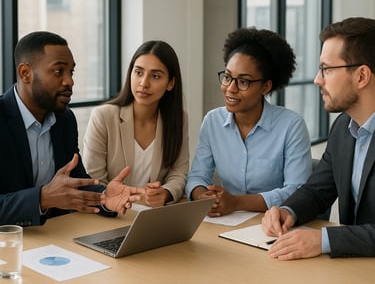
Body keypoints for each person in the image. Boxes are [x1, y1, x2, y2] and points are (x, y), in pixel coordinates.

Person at [0, 31, 144, 226]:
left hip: (56, 239)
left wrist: (104, 197)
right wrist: (42, 198)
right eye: (59, 71)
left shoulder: (64, 119)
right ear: (26, 73)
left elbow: (76, 182)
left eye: (71, 72)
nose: (70, 81)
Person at [262, 17, 375, 259]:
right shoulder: (343, 126)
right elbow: (317, 191)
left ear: (362, 76)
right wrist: (288, 210)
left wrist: (324, 240)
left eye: (327, 68)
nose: (317, 79)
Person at [185, 27, 312, 217]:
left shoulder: (291, 125)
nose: (230, 89)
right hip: (225, 222)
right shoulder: (212, 121)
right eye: (227, 77)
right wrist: (204, 197)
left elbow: (297, 190)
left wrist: (236, 202)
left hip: (274, 224)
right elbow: (197, 177)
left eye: (243, 82)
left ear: (265, 86)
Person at [83, 40, 189, 207]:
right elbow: (93, 181)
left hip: (153, 216)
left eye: (155, 76)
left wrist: (166, 193)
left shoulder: (178, 119)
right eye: (138, 72)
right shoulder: (103, 116)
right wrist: (110, 199)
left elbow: (178, 173)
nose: (144, 83)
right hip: (111, 216)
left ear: (170, 83)